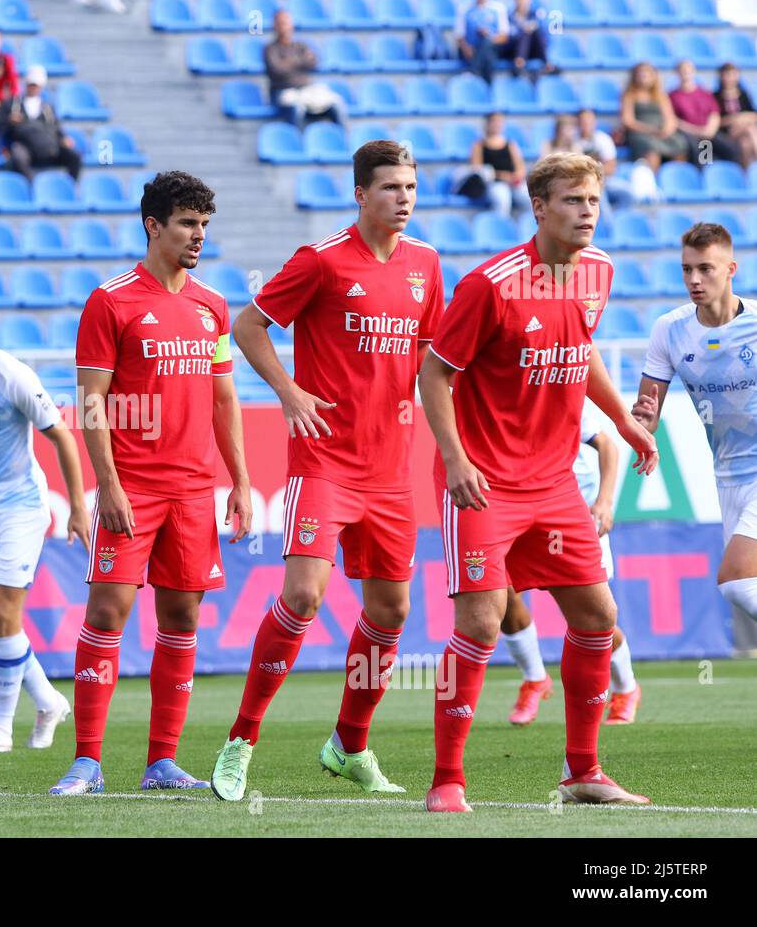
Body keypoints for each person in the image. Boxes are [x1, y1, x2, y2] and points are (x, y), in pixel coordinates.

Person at [418, 151, 659, 813]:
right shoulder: (490, 285)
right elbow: (433, 374)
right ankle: (447, 780)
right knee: (482, 620)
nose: (588, 213)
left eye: (594, 201)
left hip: (554, 482)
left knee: (597, 616)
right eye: (574, 201)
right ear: (540, 207)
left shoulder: (600, 272)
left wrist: (627, 423)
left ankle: (583, 770)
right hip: (485, 482)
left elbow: (578, 353)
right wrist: (456, 457)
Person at [209, 141, 444, 802]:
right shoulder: (322, 261)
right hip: (325, 463)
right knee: (305, 596)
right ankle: (242, 739)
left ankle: (349, 744)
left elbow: (432, 359)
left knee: (391, 610)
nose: (404, 198)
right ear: (360, 194)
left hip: (392, 469)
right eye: (392, 187)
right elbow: (248, 325)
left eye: (412, 187)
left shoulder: (426, 264)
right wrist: (288, 392)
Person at [50, 171, 253, 795]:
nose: (198, 236)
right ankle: (87, 761)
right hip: (131, 486)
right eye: (188, 224)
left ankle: (161, 761)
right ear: (153, 226)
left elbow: (224, 400)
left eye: (204, 225)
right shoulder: (110, 301)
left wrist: (241, 481)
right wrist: (105, 484)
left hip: (194, 490)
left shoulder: (211, 305)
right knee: (108, 610)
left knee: (182, 615)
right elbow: (89, 404)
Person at [0, 296, 89, 753]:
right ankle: (48, 700)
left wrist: (77, 506)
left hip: (20, 507)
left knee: (7, 615)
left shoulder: (12, 376)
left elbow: (62, 436)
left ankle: (0, 726)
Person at [634, 223, 757, 642]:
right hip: (727, 478)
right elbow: (647, 413)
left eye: (705, 269)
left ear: (731, 269)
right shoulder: (669, 330)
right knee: (740, 585)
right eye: (686, 270)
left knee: (736, 579)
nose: (694, 280)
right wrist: (642, 427)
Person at [500, 403, 641, 726]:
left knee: (591, 615)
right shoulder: (497, 390)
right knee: (499, 597)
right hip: (517, 509)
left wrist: (604, 503)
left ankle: (625, 688)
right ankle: (535, 678)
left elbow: (607, 444)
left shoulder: (559, 389)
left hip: (574, 514)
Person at [0, 65, 81, 181]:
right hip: (26, 146)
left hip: (49, 147)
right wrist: (8, 120)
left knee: (74, 156)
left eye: (36, 85)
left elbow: (56, 127)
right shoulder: (13, 104)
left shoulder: (47, 108)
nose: (33, 88)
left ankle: (70, 188)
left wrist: (63, 138)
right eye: (31, 84)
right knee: (18, 157)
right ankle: (33, 187)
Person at [263, 9, 344, 127]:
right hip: (283, 92)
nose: (284, 27)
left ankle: (341, 139)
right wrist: (300, 61)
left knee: (336, 104)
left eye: (286, 22)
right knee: (297, 109)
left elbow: (313, 62)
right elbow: (278, 70)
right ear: (274, 25)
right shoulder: (270, 49)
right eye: (281, 23)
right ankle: (296, 141)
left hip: (306, 89)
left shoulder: (300, 45)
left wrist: (288, 62)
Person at [670, 59, 743, 166]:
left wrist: (709, 130)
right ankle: (706, 178)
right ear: (677, 73)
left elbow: (714, 113)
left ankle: (735, 177)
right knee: (703, 151)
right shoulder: (672, 96)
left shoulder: (705, 93)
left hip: (709, 132)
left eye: (688, 70)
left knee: (732, 149)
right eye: (683, 70)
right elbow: (674, 120)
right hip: (689, 134)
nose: (686, 73)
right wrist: (697, 131)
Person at [620, 62, 690, 173]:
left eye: (647, 73)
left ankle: (676, 178)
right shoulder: (629, 96)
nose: (644, 76)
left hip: (661, 131)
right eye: (641, 73)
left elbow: (670, 118)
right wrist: (651, 130)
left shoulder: (661, 96)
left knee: (680, 143)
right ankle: (653, 179)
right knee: (651, 149)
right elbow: (628, 121)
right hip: (640, 133)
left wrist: (667, 130)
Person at [471, 111, 529, 216]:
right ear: (487, 124)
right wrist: (501, 176)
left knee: (530, 199)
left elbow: (520, 167)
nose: (497, 124)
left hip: (513, 182)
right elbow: (477, 169)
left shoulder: (510, 144)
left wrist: (515, 177)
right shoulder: (479, 145)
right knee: (503, 199)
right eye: (494, 121)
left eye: (499, 122)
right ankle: (502, 228)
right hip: (493, 183)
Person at [456, 0, 509, 84]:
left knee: (486, 45)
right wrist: (466, 48)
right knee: (486, 53)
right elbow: (459, 35)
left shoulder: (498, 8)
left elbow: (504, 36)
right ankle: (487, 84)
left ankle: (475, 74)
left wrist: (489, 36)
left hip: (492, 49)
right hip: (471, 50)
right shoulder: (465, 8)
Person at [715, 62, 757, 169]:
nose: (729, 78)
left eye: (732, 74)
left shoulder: (743, 95)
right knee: (750, 129)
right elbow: (717, 121)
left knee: (745, 144)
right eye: (727, 74)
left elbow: (753, 115)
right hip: (727, 134)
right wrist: (733, 119)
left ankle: (744, 173)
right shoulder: (716, 96)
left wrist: (740, 118)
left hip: (744, 133)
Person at [504, 0, 555, 79]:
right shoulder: (509, 17)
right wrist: (522, 30)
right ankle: (545, 63)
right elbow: (508, 38)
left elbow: (545, 37)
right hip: (514, 50)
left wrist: (531, 28)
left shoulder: (536, 15)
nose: (522, 0)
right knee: (526, 31)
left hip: (534, 50)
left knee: (533, 30)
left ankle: (520, 62)